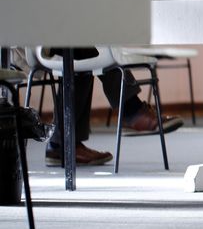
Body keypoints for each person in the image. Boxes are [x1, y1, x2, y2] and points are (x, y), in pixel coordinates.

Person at [25, 48, 184, 166]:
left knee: (88, 49)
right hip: (40, 40)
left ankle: (62, 144)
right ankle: (132, 112)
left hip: (58, 35)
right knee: (93, 50)